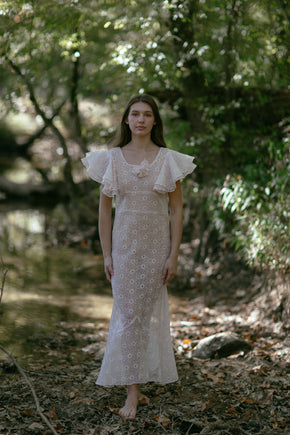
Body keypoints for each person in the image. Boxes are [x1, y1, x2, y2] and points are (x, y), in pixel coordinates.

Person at [81, 94, 196, 420]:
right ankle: (131, 393)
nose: (141, 119)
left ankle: (138, 384)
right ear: (127, 120)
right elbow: (105, 212)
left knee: (145, 317)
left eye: (147, 114)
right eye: (135, 114)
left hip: (156, 249)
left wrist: (173, 255)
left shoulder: (168, 159)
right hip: (125, 250)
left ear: (155, 121)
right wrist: (106, 254)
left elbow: (176, 211)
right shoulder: (112, 159)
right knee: (129, 315)